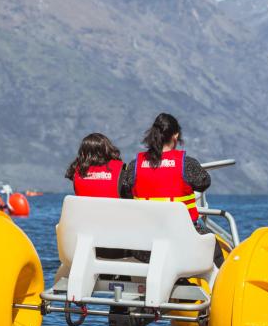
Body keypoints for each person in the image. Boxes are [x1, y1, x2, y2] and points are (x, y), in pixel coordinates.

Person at [123, 113, 223, 266]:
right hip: (182, 244)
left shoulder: (135, 165)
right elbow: (204, 182)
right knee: (212, 243)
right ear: (176, 135)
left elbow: (125, 188)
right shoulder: (186, 164)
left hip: (144, 248)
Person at [65, 133, 129, 198]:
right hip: (111, 207)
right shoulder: (119, 167)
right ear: (107, 149)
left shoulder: (76, 169)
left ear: (83, 152)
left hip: (85, 208)